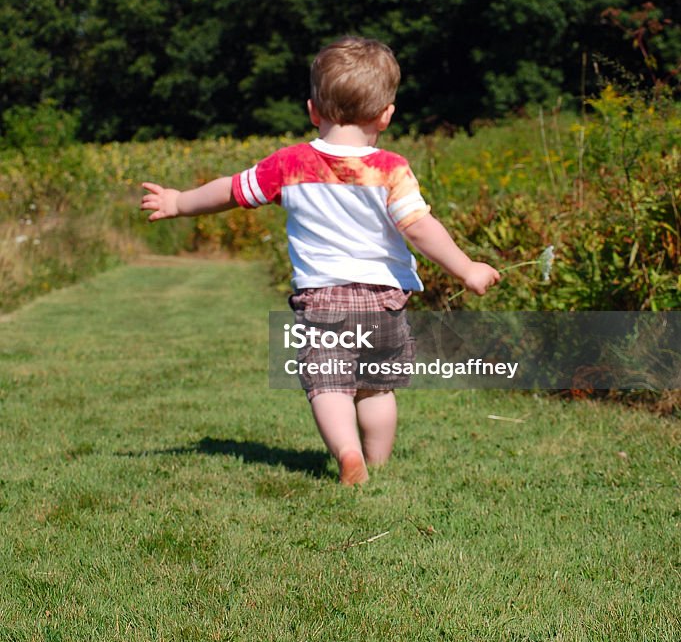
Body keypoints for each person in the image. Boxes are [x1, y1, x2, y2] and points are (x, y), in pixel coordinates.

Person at [140, 36, 500, 486]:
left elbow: (231, 191)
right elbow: (419, 226)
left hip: (322, 299)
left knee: (328, 385)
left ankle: (348, 454)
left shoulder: (288, 164)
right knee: (376, 389)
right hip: (382, 299)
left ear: (313, 110)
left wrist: (179, 201)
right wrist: (467, 269)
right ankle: (379, 462)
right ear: (386, 115)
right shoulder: (391, 168)